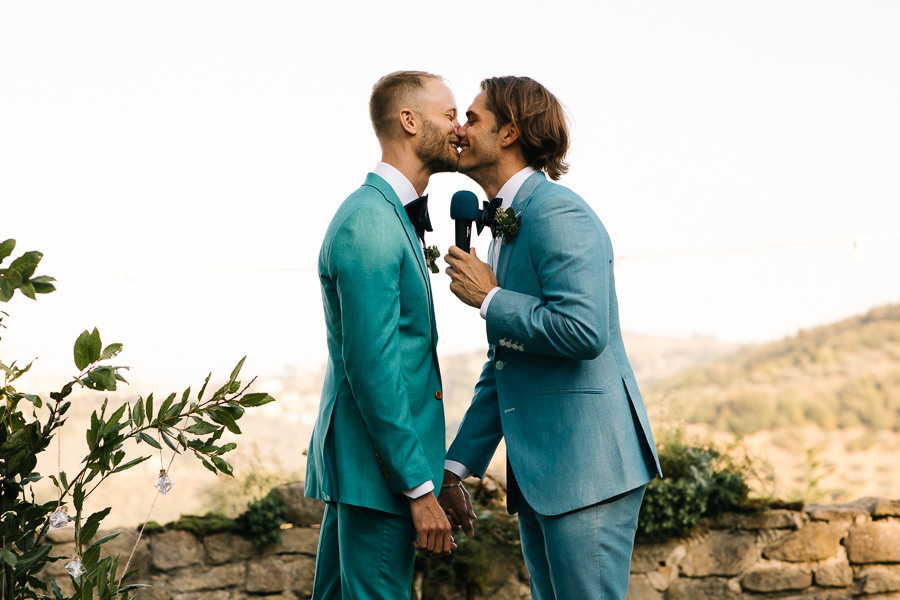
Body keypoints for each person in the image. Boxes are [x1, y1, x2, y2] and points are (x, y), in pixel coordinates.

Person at [440, 76, 663, 600]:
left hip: (588, 471)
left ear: (510, 132)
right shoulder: (508, 228)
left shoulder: (560, 212)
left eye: (472, 119)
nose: (459, 128)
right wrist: (455, 467)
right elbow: (507, 364)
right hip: (542, 477)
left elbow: (585, 331)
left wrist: (492, 300)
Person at [305, 70, 461, 599]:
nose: (459, 127)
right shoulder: (368, 222)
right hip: (381, 479)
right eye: (449, 114)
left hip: (376, 473)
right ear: (409, 121)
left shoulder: (389, 216)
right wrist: (418, 488)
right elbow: (374, 369)